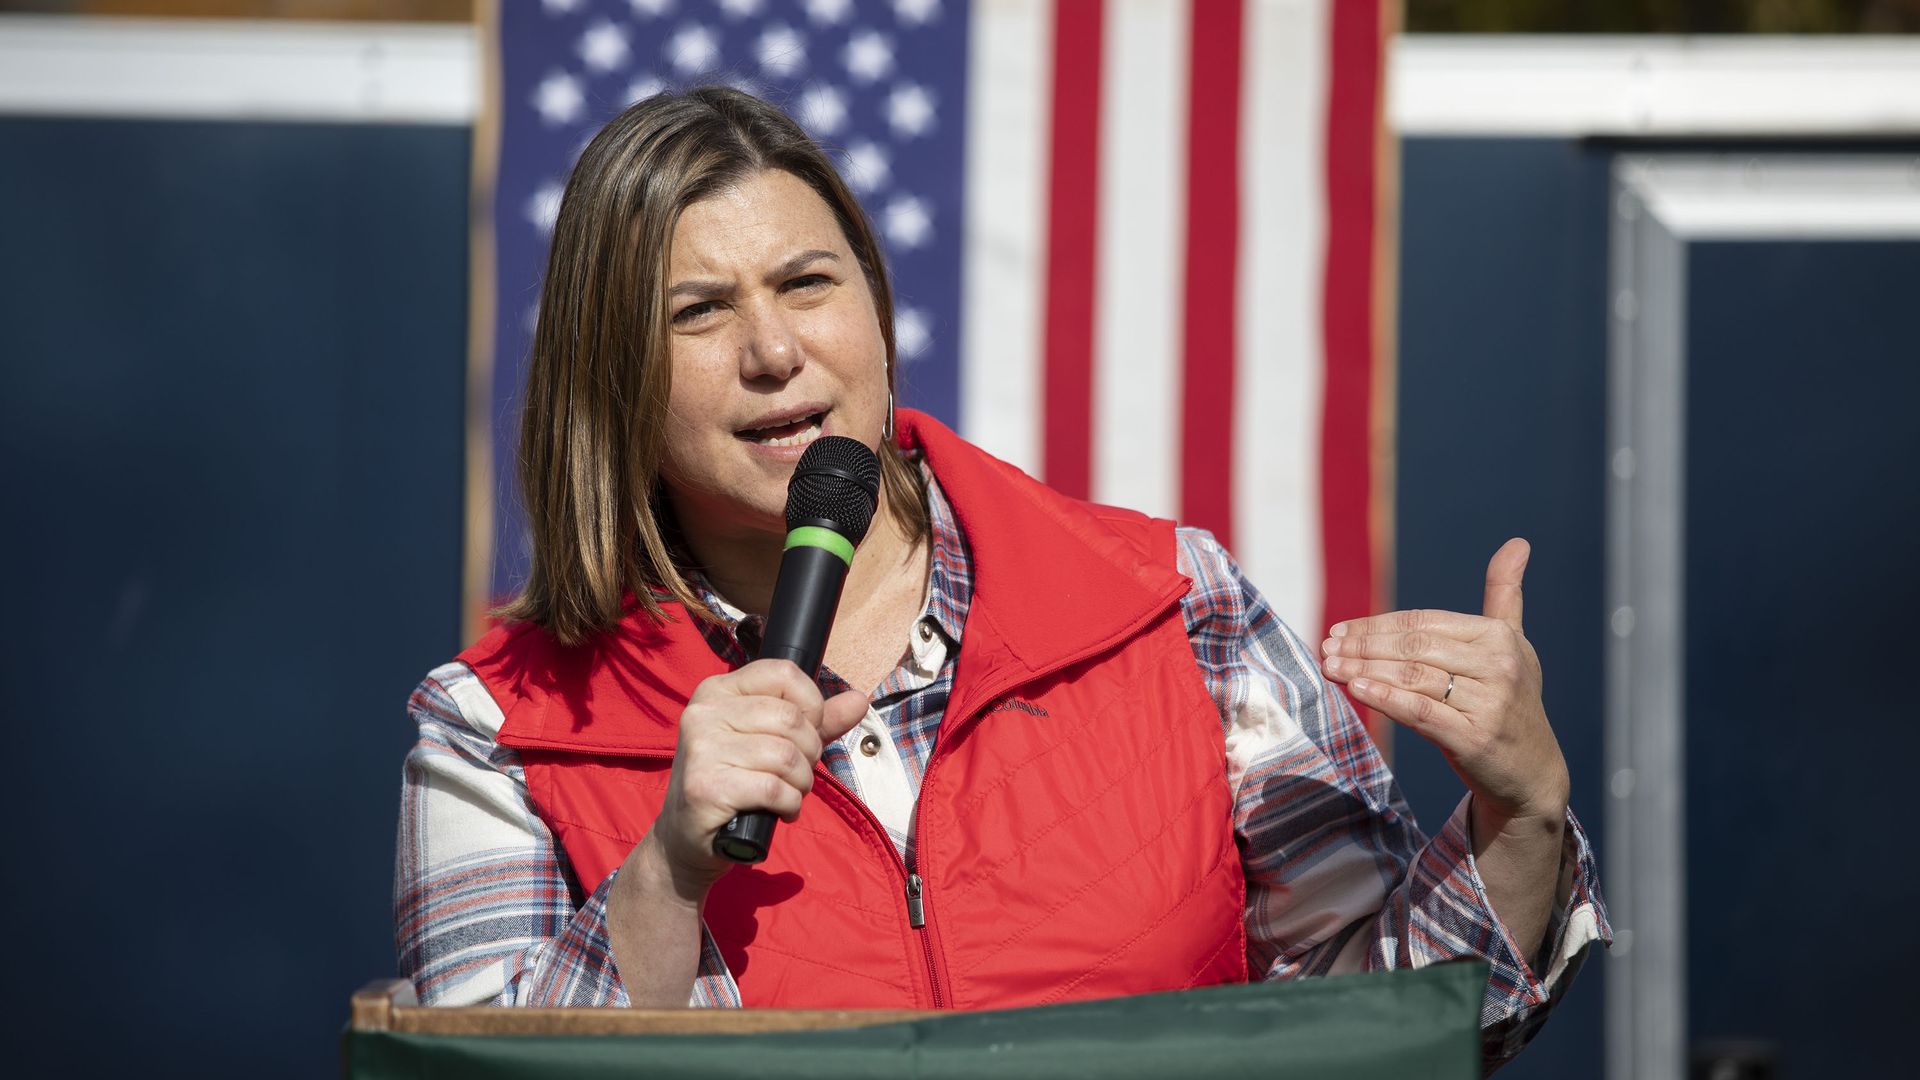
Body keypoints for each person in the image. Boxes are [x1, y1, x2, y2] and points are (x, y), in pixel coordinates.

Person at [394, 86, 1608, 1068]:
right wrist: (664, 878)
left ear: (874, 305)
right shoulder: (498, 727)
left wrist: (1522, 816)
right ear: (610, 381)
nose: (774, 352)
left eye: (808, 284)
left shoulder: (1173, 606)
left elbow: (1391, 1031)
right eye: (698, 313)